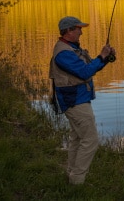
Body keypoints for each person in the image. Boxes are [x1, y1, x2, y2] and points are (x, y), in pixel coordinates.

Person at [49, 16, 116, 185]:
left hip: (78, 99)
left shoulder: (72, 49)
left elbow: (89, 67)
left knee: (77, 139)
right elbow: (85, 73)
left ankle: (72, 175)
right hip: (74, 102)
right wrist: (102, 55)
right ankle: (77, 181)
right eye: (78, 28)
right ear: (69, 31)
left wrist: (105, 58)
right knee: (90, 140)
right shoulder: (64, 53)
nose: (81, 31)